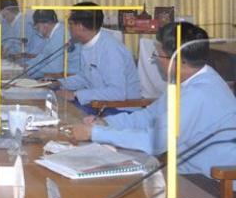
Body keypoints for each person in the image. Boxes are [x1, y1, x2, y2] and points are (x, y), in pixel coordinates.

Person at [69, 22, 236, 181]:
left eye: (158, 55)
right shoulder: (188, 80)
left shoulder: (199, 93)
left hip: (215, 180)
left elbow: (154, 142)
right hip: (184, 169)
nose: (155, 60)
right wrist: (106, 123)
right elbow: (150, 115)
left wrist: (94, 133)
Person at [53, 1, 141, 113]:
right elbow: (85, 78)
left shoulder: (111, 49)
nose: (68, 27)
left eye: (70, 23)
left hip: (120, 109)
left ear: (80, 26)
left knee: (64, 114)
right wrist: (59, 83)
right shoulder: (88, 43)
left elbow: (117, 92)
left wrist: (75, 95)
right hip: (99, 104)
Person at [24, 9, 80, 78]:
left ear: (45, 25)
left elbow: (54, 68)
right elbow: (43, 56)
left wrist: (28, 71)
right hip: (60, 75)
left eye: (37, 27)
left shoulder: (60, 35)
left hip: (70, 77)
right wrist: (26, 65)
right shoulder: (53, 33)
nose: (37, 30)